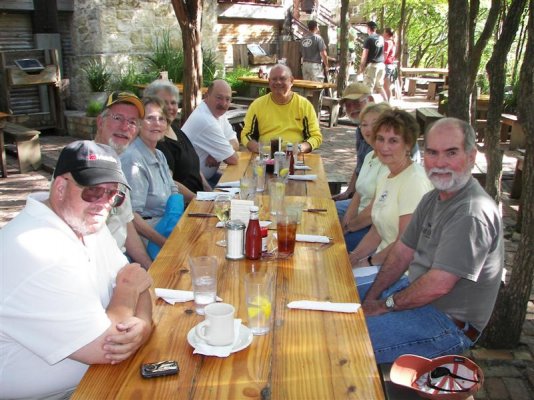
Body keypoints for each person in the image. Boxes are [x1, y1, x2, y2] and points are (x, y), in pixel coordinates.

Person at [0, 140, 153, 399]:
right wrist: (128, 291)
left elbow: (141, 280)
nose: (104, 203)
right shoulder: (35, 247)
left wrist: (144, 324)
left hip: (97, 380)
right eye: (94, 191)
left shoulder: (87, 223)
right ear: (60, 187)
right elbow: (106, 347)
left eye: (114, 194)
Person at [359, 118, 504, 364]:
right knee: (334, 303)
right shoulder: (433, 198)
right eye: (432, 153)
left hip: (447, 323)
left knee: (345, 340)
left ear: (471, 156)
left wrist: (383, 305)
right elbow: (401, 253)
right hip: (413, 294)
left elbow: (438, 285)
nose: (439, 163)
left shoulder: (472, 212)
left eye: (451, 153)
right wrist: (372, 297)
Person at [349, 109, 432, 268]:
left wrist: (368, 262)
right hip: (381, 262)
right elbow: (377, 230)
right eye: (380, 139)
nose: (384, 147)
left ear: (408, 144)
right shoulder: (386, 174)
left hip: (402, 272)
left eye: (393, 141)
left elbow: (406, 243)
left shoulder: (414, 181)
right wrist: (354, 257)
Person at [94, 91, 160, 270]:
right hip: (101, 269)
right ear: (100, 122)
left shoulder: (116, 165)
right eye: (118, 118)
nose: (125, 127)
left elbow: (126, 224)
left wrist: (150, 270)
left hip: (121, 261)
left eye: (132, 122)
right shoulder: (85, 164)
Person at [120, 96, 181, 240]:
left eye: (162, 119)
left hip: (168, 227)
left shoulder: (159, 155)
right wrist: (164, 243)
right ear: (139, 123)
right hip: (149, 237)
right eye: (150, 118)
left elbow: (173, 190)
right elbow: (131, 217)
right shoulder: (133, 159)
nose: (157, 124)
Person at [143, 79, 212, 195]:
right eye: (164, 102)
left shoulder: (176, 130)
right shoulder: (155, 140)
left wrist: (210, 192)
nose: (170, 107)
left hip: (200, 196)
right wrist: (196, 200)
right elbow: (169, 183)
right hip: (183, 205)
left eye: (173, 102)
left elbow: (194, 168)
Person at [340, 103, 391, 252]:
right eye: (364, 125)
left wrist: (348, 229)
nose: (368, 130)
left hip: (375, 228)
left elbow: (374, 210)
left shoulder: (389, 161)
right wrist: (345, 224)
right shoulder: (370, 155)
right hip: (361, 220)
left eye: (374, 124)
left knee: (332, 245)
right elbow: (358, 193)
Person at [241, 64, 323, 154]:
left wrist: (300, 148)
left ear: (291, 81)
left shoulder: (304, 105)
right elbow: (246, 134)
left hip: (295, 156)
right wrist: (257, 148)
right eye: (274, 79)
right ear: (269, 81)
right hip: (266, 155)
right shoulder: (257, 105)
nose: (278, 82)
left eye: (282, 79)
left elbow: (316, 136)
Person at [182, 79, 239, 187]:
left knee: (242, 184)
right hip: (193, 184)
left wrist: (217, 154)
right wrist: (223, 154)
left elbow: (235, 142)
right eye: (219, 98)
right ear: (207, 95)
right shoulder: (206, 120)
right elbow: (233, 158)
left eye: (227, 99)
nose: (223, 103)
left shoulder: (217, 114)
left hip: (207, 177)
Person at [332, 83, 376, 206]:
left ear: (371, 100)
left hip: (377, 203)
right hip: (364, 196)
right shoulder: (360, 129)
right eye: (348, 105)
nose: (352, 109)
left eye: (356, 103)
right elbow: (360, 166)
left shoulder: (384, 129)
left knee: (329, 212)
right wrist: (348, 192)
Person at [359, 21, 387, 101]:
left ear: (368, 28)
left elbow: (365, 54)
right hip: (381, 65)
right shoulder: (381, 38)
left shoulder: (369, 39)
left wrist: (361, 67)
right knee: (379, 87)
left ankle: (368, 107)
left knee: (368, 89)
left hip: (373, 66)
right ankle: (387, 104)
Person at [383, 27, 399, 102]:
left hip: (387, 65)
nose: (383, 33)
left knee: (386, 85)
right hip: (390, 65)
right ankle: (387, 101)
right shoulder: (392, 42)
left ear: (386, 33)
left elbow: (385, 54)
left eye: (384, 32)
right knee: (386, 85)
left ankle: (388, 101)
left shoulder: (387, 42)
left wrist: (381, 62)